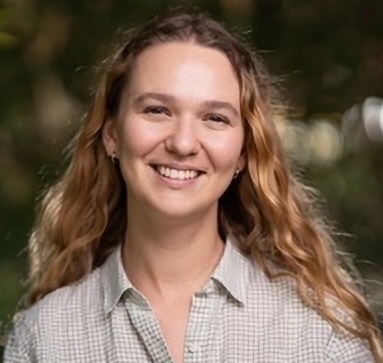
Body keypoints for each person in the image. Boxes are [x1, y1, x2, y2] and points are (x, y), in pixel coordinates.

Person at [4, 9, 383, 363]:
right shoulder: (43, 338)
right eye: (157, 110)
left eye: (214, 118)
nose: (183, 143)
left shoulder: (324, 338)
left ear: (243, 154)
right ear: (112, 135)